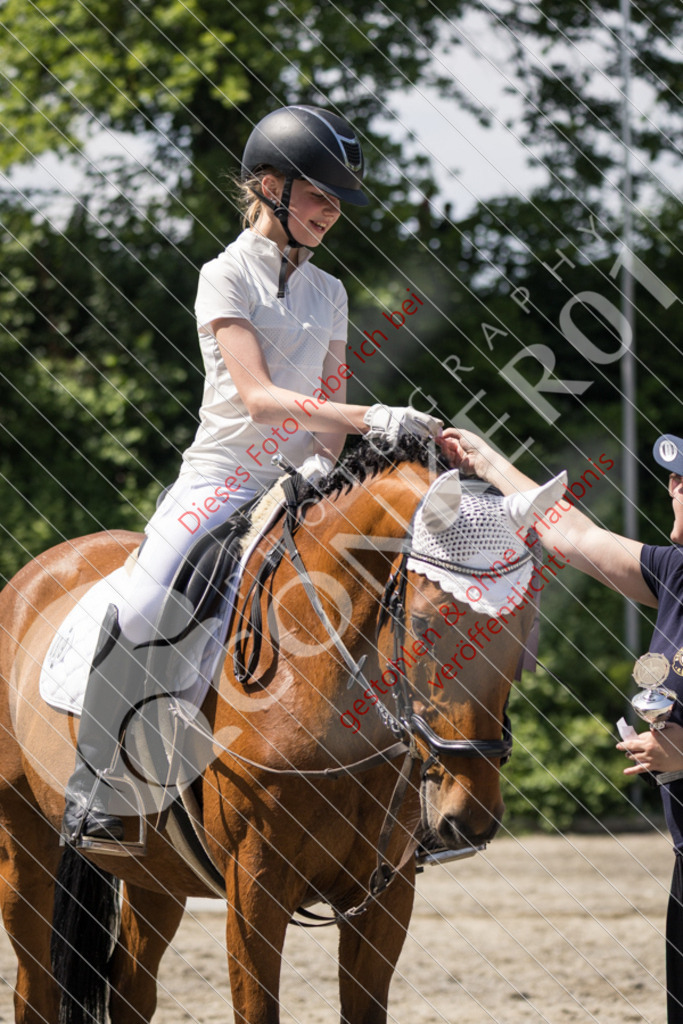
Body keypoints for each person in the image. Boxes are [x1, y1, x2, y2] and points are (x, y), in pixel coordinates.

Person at [61, 104, 442, 849]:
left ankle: (403, 790)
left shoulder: (326, 291)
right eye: (317, 197)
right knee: (144, 602)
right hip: (223, 478)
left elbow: (327, 406)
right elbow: (260, 397)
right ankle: (96, 786)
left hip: (302, 483)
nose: (330, 213)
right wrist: (373, 415)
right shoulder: (222, 274)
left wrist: (367, 453)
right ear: (269, 186)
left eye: (336, 203)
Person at [439, 426, 683, 1023]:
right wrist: (489, 463)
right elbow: (572, 535)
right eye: (675, 476)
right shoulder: (678, 572)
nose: (673, 486)